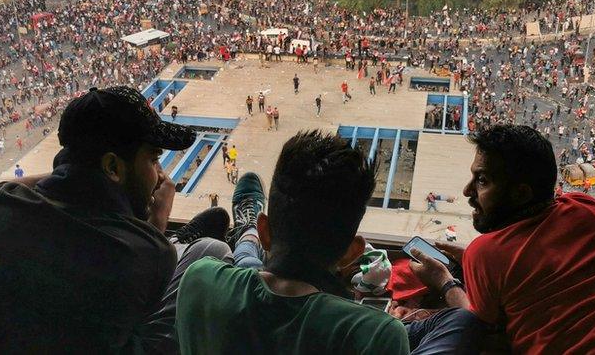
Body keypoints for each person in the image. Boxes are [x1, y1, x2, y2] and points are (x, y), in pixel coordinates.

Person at [0, 86, 231, 353]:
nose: (160, 175)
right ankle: (195, 242)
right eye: (153, 159)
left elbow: (11, 189)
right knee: (211, 251)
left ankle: (178, 240)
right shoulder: (144, 252)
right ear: (113, 167)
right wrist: (157, 222)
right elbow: (142, 269)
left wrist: (70, 174)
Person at [176, 131, 482, 355]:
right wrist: (445, 282)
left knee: (245, 263)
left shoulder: (199, 278)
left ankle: (246, 232)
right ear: (352, 253)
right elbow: (465, 324)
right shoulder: (376, 335)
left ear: (266, 231)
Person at [409, 124, 595, 354]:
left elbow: (472, 329)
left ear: (521, 193)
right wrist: (474, 258)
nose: (467, 190)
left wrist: (445, 283)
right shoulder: (587, 208)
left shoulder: (486, 253)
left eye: (482, 180)